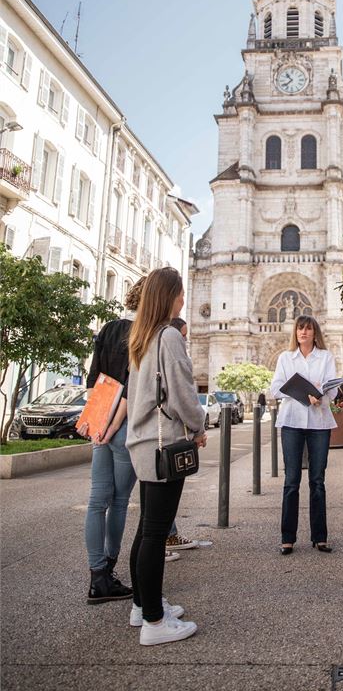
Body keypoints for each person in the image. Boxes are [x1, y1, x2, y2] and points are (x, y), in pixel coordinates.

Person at [126, 267, 206, 646]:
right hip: (164, 445)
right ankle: (154, 623)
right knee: (156, 534)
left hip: (143, 443)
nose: (183, 299)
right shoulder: (170, 336)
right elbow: (182, 392)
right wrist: (198, 426)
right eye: (180, 292)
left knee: (147, 529)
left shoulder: (142, 335)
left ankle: (143, 606)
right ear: (169, 295)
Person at [82, 277, 145, 605]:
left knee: (96, 501)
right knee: (119, 502)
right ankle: (108, 569)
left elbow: (94, 381)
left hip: (100, 422)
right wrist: (113, 425)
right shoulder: (144, 334)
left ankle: (97, 576)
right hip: (122, 426)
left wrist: (97, 423)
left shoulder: (107, 329)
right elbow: (130, 388)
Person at [270, 315, 337, 555]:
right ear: (295, 332)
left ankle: (320, 537)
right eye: (300, 329)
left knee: (317, 481)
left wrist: (320, 395)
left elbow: (333, 389)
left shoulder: (326, 357)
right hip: (292, 421)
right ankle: (287, 538)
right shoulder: (285, 358)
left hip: (319, 422)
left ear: (314, 332)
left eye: (308, 329)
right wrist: (300, 392)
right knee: (291, 481)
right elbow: (275, 388)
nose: (303, 332)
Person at [164, 316, 199, 559]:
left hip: (148, 434)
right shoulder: (169, 342)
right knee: (160, 498)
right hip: (164, 433)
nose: (185, 341)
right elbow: (181, 394)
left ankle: (168, 535)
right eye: (184, 336)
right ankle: (161, 542)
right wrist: (198, 429)